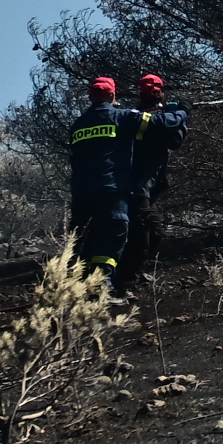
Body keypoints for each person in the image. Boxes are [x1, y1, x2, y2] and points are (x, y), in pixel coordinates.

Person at [119, 73, 189, 291]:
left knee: (143, 233)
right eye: (152, 89)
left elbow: (172, 139)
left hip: (144, 187)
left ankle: (127, 277)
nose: (155, 92)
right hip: (135, 188)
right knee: (149, 233)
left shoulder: (154, 116)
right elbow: (173, 139)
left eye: (157, 89)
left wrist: (173, 114)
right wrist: (181, 114)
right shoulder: (141, 118)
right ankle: (124, 282)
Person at [67, 76, 135, 281]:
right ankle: (101, 289)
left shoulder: (77, 125)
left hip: (81, 193)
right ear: (113, 94)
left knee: (81, 241)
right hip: (110, 191)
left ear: (90, 95)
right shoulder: (121, 117)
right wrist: (181, 112)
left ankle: (76, 288)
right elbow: (158, 124)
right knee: (110, 237)